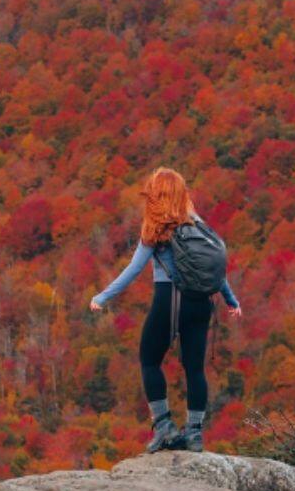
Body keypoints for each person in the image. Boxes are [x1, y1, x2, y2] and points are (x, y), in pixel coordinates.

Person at [90, 168, 241, 453]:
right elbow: (214, 270)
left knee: (149, 359)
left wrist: (103, 296)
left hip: (169, 298)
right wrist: (231, 300)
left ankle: (164, 427)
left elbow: (133, 269)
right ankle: (194, 434)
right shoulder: (198, 225)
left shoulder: (156, 229)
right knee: (195, 368)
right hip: (202, 302)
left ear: (157, 196)